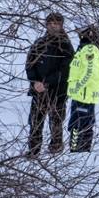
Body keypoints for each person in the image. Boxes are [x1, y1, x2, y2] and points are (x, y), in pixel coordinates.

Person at [24, 12, 74, 155]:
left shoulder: (66, 46)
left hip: (58, 91)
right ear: (46, 25)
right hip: (38, 91)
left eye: (56, 24)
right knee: (35, 122)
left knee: (56, 123)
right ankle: (34, 150)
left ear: (61, 25)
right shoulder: (39, 43)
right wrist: (35, 82)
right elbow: (29, 64)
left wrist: (46, 83)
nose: (53, 26)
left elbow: (65, 70)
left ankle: (56, 149)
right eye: (50, 23)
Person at [67, 24, 99, 153]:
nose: (79, 34)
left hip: (83, 94)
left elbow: (89, 72)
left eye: (81, 32)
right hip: (86, 94)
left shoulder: (89, 49)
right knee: (85, 123)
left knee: (77, 124)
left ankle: (77, 150)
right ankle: (83, 150)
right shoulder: (90, 48)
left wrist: (77, 87)